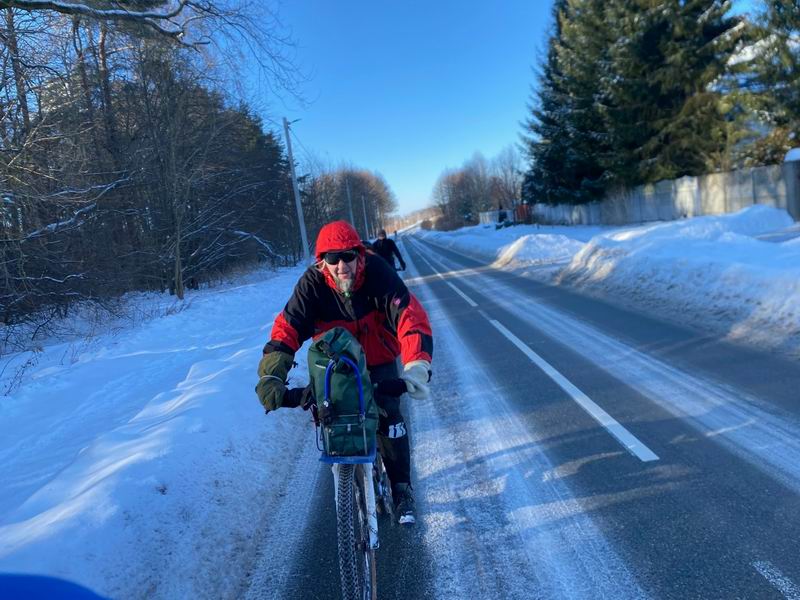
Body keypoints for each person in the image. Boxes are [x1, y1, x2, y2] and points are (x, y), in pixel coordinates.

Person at [256, 220, 433, 524]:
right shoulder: (312, 285)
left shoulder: (378, 274)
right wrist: (272, 375)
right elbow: (287, 329)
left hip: (377, 359)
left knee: (389, 415)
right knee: (331, 414)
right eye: (332, 258)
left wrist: (416, 367)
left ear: (360, 255)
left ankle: (402, 488)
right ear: (321, 262)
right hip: (335, 365)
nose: (341, 265)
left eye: (348, 256)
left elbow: (410, 317)